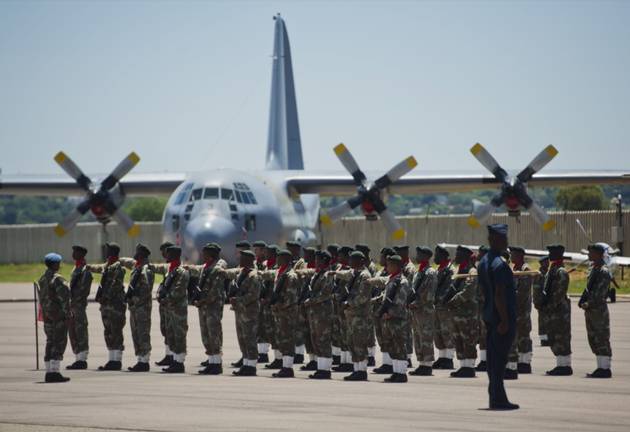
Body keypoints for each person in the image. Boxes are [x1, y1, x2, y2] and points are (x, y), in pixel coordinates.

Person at [477, 224, 519, 410]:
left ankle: (495, 396)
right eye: (504, 238)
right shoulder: (499, 265)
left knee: (493, 361)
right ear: (495, 240)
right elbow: (499, 295)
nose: (507, 241)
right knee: (499, 361)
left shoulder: (484, 262)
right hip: (501, 318)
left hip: (489, 316)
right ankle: (498, 399)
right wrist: (504, 320)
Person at [368, 255, 410, 383]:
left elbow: (400, 301)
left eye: (390, 265)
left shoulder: (402, 281)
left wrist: (390, 313)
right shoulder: (391, 279)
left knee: (399, 346)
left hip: (397, 319)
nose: (388, 267)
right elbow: (385, 297)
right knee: (392, 346)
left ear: (397, 266)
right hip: (388, 319)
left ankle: (402, 373)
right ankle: (396, 372)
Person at [331, 251, 373, 381]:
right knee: (352, 342)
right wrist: (334, 273)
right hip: (351, 314)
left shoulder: (365, 275)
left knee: (360, 342)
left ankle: (362, 370)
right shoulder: (355, 272)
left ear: (360, 261)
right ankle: (356, 369)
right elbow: (346, 274)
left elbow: (363, 296)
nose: (349, 262)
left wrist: (348, 303)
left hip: (360, 315)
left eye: (352, 260)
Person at [189, 243, 227, 375]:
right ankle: (211, 362)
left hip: (212, 307)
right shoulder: (206, 267)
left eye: (205, 253)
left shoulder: (218, 268)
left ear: (211, 255)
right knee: (206, 335)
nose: (202, 255)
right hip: (204, 306)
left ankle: (217, 364)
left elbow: (215, 291)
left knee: (214, 334)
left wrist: (202, 301)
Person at [261, 250, 300, 378]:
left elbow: (291, 297)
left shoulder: (291, 275)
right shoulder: (281, 272)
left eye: (280, 258)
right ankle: (284, 366)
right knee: (282, 340)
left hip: (287, 313)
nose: (277, 260)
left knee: (288, 340)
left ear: (287, 260)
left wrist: (279, 305)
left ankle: (288, 368)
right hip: (280, 313)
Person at [89, 242, 126, 371]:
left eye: (108, 250)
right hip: (106, 306)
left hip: (115, 306)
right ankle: (111, 359)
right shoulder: (108, 265)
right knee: (108, 332)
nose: (106, 252)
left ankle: (117, 360)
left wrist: (106, 296)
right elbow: (99, 268)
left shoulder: (118, 267)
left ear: (113, 252)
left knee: (116, 332)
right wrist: (87, 267)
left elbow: (116, 284)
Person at [223, 250, 261, 376]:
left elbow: (253, 295)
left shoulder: (254, 275)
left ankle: (252, 366)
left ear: (249, 260)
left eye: (243, 258)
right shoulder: (241, 273)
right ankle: (246, 364)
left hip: (249, 312)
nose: (240, 260)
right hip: (240, 311)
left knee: (250, 339)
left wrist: (238, 300)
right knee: (242, 339)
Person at [579, 244, 613, 378]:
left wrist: (588, 303)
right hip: (591, 311)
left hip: (598, 311)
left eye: (591, 253)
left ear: (599, 255)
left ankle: (605, 368)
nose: (588, 255)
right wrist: (583, 301)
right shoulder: (594, 269)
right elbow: (589, 289)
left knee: (601, 338)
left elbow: (600, 294)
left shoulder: (603, 272)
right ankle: (600, 367)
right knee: (593, 338)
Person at [37, 253, 71, 383]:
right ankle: (55, 372)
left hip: (47, 315)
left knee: (50, 341)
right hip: (58, 316)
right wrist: (68, 313)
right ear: (55, 264)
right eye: (58, 263)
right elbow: (64, 298)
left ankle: (48, 372)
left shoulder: (42, 278)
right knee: (59, 342)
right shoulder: (57, 279)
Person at [302, 250, 335, 379]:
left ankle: (325, 370)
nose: (315, 262)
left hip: (323, 313)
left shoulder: (328, 275)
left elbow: (325, 293)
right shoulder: (318, 274)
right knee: (316, 340)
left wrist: (311, 301)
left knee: (323, 340)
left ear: (324, 261)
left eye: (318, 260)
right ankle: (320, 368)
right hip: (315, 313)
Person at [447, 245, 479, 378]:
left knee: (468, 339)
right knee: (458, 339)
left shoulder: (472, 271)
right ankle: (463, 366)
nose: (456, 256)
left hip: (467, 313)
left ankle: (470, 367)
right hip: (457, 313)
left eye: (458, 254)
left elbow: (469, 290)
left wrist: (454, 300)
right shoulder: (459, 270)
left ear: (466, 256)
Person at [542, 244, 572, 376]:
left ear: (558, 255)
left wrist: (550, 305)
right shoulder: (553, 269)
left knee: (562, 337)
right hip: (553, 309)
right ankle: (560, 364)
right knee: (554, 336)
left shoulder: (561, 272)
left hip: (559, 310)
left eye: (552, 253)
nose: (549, 256)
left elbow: (560, 292)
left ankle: (565, 366)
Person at [158, 245, 189, 373]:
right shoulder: (171, 270)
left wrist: (166, 299)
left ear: (174, 255)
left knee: (179, 335)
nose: (166, 255)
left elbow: (178, 291)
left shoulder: (181, 271)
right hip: (169, 308)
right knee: (171, 335)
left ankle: (180, 362)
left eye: (168, 253)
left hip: (178, 310)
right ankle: (175, 361)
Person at [408, 246, 437, 376]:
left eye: (419, 254)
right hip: (416, 310)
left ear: (426, 256)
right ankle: (421, 363)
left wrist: (417, 303)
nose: (417, 257)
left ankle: (427, 365)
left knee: (426, 337)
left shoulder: (430, 272)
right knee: (418, 337)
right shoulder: (419, 271)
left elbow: (429, 294)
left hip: (425, 310)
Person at [126, 244, 154, 372]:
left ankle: (144, 361)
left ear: (142, 254)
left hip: (142, 307)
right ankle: (140, 360)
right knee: (136, 333)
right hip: (134, 307)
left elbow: (146, 289)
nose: (135, 254)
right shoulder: (137, 266)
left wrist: (135, 298)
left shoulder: (146, 269)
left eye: (138, 252)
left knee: (143, 333)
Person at [507, 246, 534, 377]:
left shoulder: (525, 270)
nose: (511, 257)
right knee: (517, 337)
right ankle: (520, 362)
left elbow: (522, 292)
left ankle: (525, 363)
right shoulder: (515, 269)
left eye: (513, 254)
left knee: (524, 336)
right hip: (515, 309)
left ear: (520, 256)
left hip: (522, 310)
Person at [66, 245, 92, 370]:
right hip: (73, 305)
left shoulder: (84, 270)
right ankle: (78, 357)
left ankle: (82, 359)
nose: (73, 253)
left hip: (79, 305)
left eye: (75, 252)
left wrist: (74, 300)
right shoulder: (76, 268)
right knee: (73, 331)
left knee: (80, 331)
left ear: (81, 254)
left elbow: (83, 290)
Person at [373, 246, 395, 374]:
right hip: (378, 309)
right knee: (381, 337)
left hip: (387, 310)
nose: (380, 259)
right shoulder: (382, 271)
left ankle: (390, 364)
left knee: (388, 337)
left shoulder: (392, 274)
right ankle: (386, 363)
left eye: (382, 257)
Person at [432, 245, 455, 369]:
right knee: (438, 333)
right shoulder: (440, 269)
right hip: (437, 306)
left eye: (437, 255)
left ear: (443, 256)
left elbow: (448, 289)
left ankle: (449, 358)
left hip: (445, 307)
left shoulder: (450, 270)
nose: (434, 257)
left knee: (447, 332)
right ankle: (442, 357)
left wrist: (439, 300)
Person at [475, 245, 489, 371]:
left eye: (480, 253)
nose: (477, 255)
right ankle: (484, 360)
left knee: (487, 334)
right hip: (481, 306)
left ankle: (487, 361)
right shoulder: (482, 267)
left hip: (488, 306)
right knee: (482, 335)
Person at [532, 256, 550, 347]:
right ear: (541, 263)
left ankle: (549, 337)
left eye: (548, 262)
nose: (548, 263)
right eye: (546, 262)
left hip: (548, 301)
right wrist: (537, 301)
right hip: (541, 301)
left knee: (548, 319)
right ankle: (543, 339)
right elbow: (536, 289)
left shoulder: (548, 273)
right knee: (542, 320)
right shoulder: (539, 274)